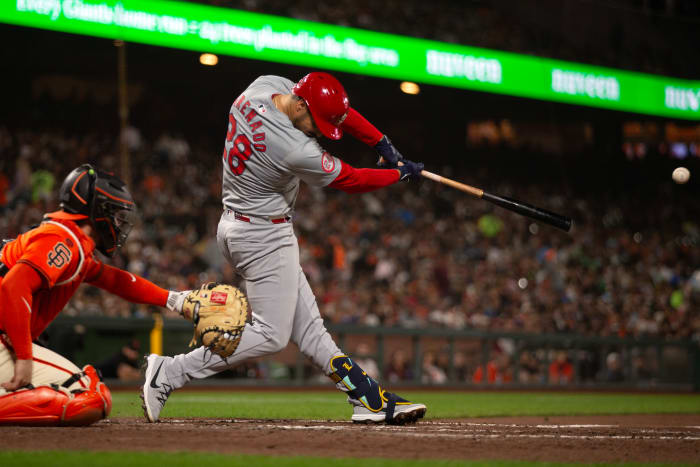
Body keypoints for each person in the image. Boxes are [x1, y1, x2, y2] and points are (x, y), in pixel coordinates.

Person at [142, 72, 427, 425]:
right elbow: (351, 179)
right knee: (271, 335)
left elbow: (337, 112)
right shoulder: (294, 147)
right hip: (262, 236)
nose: (321, 131)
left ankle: (366, 396)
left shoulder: (264, 86)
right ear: (300, 104)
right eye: (316, 122)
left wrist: (381, 142)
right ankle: (170, 371)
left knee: (310, 331)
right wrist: (397, 174)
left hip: (240, 224)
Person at [0, 164, 189, 426]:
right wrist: (23, 357)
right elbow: (13, 286)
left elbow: (116, 280)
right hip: (3, 342)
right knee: (89, 396)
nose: (119, 223)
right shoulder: (62, 239)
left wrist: (175, 300)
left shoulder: (68, 239)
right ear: (97, 211)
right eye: (115, 214)